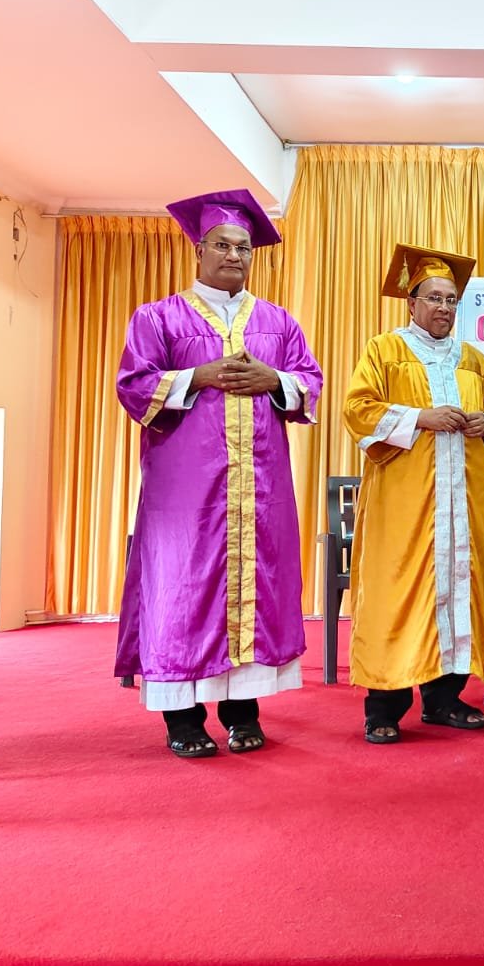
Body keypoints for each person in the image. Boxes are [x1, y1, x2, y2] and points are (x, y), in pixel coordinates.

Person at [115, 189, 322, 758]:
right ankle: (182, 719)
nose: (234, 255)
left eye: (244, 248)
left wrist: (274, 381)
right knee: (184, 586)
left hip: (260, 485)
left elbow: (310, 382)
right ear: (199, 249)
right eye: (223, 245)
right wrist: (198, 376)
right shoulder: (158, 317)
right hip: (186, 488)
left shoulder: (277, 322)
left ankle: (241, 712)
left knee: (255, 584)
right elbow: (133, 386)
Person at [343, 243, 484, 744]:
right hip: (405, 504)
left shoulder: (472, 359)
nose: (443, 307)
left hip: (463, 505)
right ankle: (384, 707)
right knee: (397, 592)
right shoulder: (385, 350)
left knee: (459, 591)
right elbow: (358, 410)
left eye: (451, 299)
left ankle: (444, 700)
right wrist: (421, 417)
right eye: (434, 298)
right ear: (411, 302)